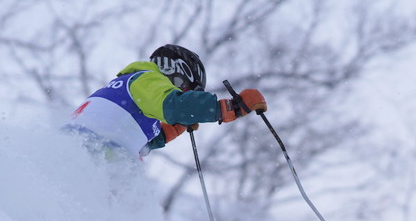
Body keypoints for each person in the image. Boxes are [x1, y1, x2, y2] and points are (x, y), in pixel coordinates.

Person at [64, 44, 267, 159]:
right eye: (184, 90)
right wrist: (228, 108)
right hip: (88, 158)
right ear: (175, 71)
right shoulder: (145, 79)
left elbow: (136, 138)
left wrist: (170, 130)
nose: (181, 94)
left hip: (86, 159)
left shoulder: (129, 91)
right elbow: (175, 105)